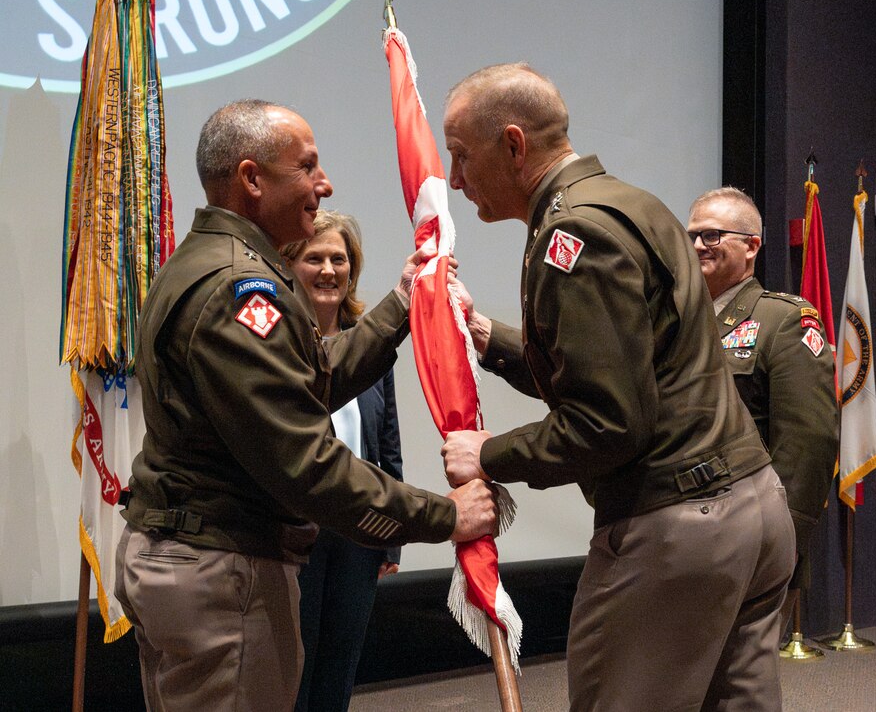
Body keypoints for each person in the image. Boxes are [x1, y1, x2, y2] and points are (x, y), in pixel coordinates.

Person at [115, 99, 498, 712]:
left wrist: (401, 304)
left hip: (200, 557)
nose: (325, 185)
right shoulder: (239, 292)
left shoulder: (210, 263)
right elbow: (305, 459)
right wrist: (444, 516)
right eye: (308, 167)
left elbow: (309, 382)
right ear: (251, 179)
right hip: (224, 571)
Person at [439, 64, 795, 711]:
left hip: (677, 526)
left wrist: (487, 455)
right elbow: (634, 363)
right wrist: (489, 338)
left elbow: (608, 421)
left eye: (462, 157)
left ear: (514, 146)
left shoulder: (570, 235)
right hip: (752, 512)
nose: (455, 179)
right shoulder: (632, 203)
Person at [688, 187, 839, 632]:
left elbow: (808, 444)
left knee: (740, 683)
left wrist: (782, 546)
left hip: (751, 539)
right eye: (692, 235)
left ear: (751, 246)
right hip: (685, 537)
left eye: (712, 235)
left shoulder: (783, 320)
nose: (698, 245)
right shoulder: (679, 324)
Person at [281, 210, 403, 712]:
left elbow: (387, 444)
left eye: (339, 258)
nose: (329, 269)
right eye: (315, 258)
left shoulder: (369, 341)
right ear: (291, 267)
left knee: (340, 664)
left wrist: (392, 533)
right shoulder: (277, 342)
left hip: (359, 532)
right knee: (296, 668)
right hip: (297, 535)